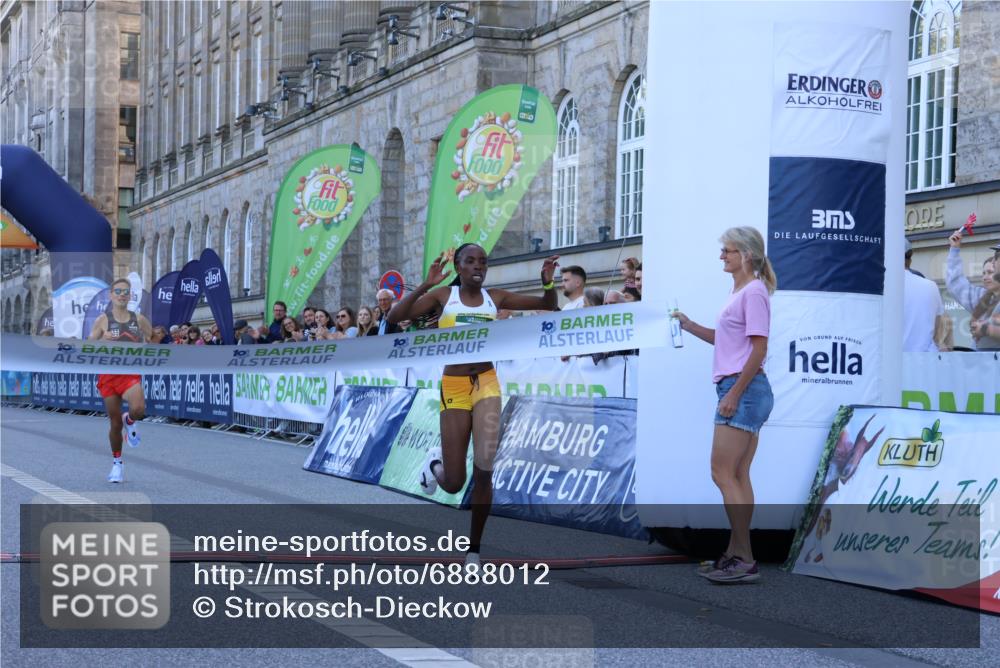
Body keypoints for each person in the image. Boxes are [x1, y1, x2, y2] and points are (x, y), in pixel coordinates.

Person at [388, 244, 560, 566]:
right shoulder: (442, 297)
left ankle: (474, 549)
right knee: (454, 483)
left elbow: (547, 305)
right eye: (470, 261)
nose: (478, 266)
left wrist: (547, 282)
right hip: (453, 385)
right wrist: (426, 284)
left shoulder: (496, 297)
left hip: (486, 382)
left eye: (483, 261)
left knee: (484, 469)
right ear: (459, 266)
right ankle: (434, 466)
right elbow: (395, 316)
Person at [673, 227, 776, 584]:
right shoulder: (743, 291)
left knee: (722, 473)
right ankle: (736, 554)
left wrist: (733, 394)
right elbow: (728, 341)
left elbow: (759, 350)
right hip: (742, 387)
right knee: (737, 475)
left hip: (742, 389)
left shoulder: (754, 292)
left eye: (727, 251)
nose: (722, 256)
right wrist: (689, 326)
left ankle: (743, 557)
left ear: (746, 255)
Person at [88, 277, 152, 483]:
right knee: (115, 424)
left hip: (129, 373)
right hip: (108, 375)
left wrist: (153, 340)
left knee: (139, 408)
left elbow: (154, 343)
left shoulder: (139, 319)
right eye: (118, 291)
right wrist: (102, 341)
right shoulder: (102, 320)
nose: (122, 295)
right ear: (111, 295)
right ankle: (117, 464)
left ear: (131, 295)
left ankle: (130, 420)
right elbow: (88, 345)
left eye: (126, 292)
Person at [946, 232, 1000, 350]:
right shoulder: (983, 297)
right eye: (983, 273)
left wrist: (984, 328)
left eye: (990, 272)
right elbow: (956, 284)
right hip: (983, 364)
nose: (985, 277)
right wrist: (954, 250)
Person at [903, 241, 946, 352]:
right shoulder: (930, 286)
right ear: (910, 261)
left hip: (891, 362)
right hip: (926, 361)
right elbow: (938, 330)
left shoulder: (881, 286)